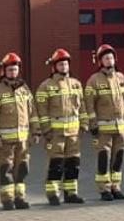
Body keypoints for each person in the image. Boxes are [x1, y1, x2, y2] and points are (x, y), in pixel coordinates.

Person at [32, 48, 86, 205]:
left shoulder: (76, 84)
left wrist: (84, 124)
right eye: (61, 64)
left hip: (74, 133)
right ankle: (53, 194)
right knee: (56, 164)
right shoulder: (45, 87)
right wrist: (46, 130)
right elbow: (41, 110)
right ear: (54, 67)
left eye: (66, 64)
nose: (64, 67)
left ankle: (71, 193)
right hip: (55, 133)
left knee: (73, 163)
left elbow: (81, 106)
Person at [83, 43, 124, 201]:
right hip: (103, 128)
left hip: (121, 127)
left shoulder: (120, 78)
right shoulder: (94, 80)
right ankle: (104, 189)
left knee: (119, 157)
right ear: (100, 61)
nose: (109, 60)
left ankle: (116, 187)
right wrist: (92, 124)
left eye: (111, 57)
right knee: (104, 158)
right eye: (106, 58)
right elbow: (89, 104)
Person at [0, 52, 33, 211]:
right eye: (10, 69)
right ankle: (7, 200)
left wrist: (36, 131)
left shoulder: (24, 90)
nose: (13, 72)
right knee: (6, 169)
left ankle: (20, 198)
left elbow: (33, 113)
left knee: (22, 169)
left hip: (22, 140)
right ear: (4, 71)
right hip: (4, 141)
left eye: (15, 69)